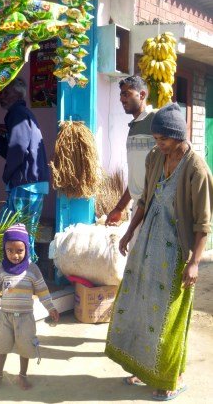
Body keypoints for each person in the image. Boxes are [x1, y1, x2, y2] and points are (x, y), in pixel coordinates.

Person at [105, 103, 213, 401]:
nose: (159, 145)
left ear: (178, 136)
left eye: (163, 139)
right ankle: (144, 367)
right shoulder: (155, 157)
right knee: (141, 307)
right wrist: (128, 232)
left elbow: (204, 224)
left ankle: (170, 378)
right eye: (156, 139)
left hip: (176, 251)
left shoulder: (197, 169)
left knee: (169, 315)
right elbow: (144, 202)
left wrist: (194, 262)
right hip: (148, 244)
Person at [0, 223, 59, 391]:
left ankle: (22, 376)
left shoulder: (33, 270)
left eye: (19, 250)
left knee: (25, 348)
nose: (15, 255)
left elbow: (42, 290)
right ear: (5, 250)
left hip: (26, 318)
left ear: (26, 248)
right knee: (1, 347)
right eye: (10, 250)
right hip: (5, 316)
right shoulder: (0, 270)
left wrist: (51, 307)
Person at [0, 78, 49, 263]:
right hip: (30, 183)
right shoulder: (21, 114)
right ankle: (25, 275)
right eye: (1, 92)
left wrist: (7, 174)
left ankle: (24, 276)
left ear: (18, 94)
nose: (1, 95)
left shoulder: (18, 113)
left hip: (26, 183)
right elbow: (13, 150)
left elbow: (17, 149)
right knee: (20, 233)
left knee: (17, 234)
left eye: (6, 92)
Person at [105, 76, 156, 246]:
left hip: (155, 209)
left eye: (126, 94)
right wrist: (120, 207)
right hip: (138, 209)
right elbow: (136, 177)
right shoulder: (133, 127)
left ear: (141, 95)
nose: (121, 99)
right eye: (121, 94)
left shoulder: (156, 121)